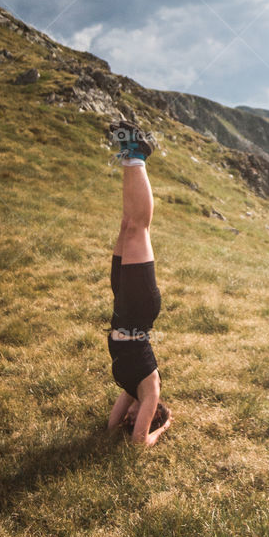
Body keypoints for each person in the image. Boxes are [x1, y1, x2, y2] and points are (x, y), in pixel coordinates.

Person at [106, 120, 172, 447]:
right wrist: (165, 425)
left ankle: (128, 155)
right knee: (138, 230)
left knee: (126, 225)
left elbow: (110, 426)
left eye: (131, 418)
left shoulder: (129, 389)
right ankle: (137, 155)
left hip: (122, 306)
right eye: (139, 419)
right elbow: (137, 444)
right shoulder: (150, 390)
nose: (130, 419)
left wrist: (123, 415)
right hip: (139, 306)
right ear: (152, 410)